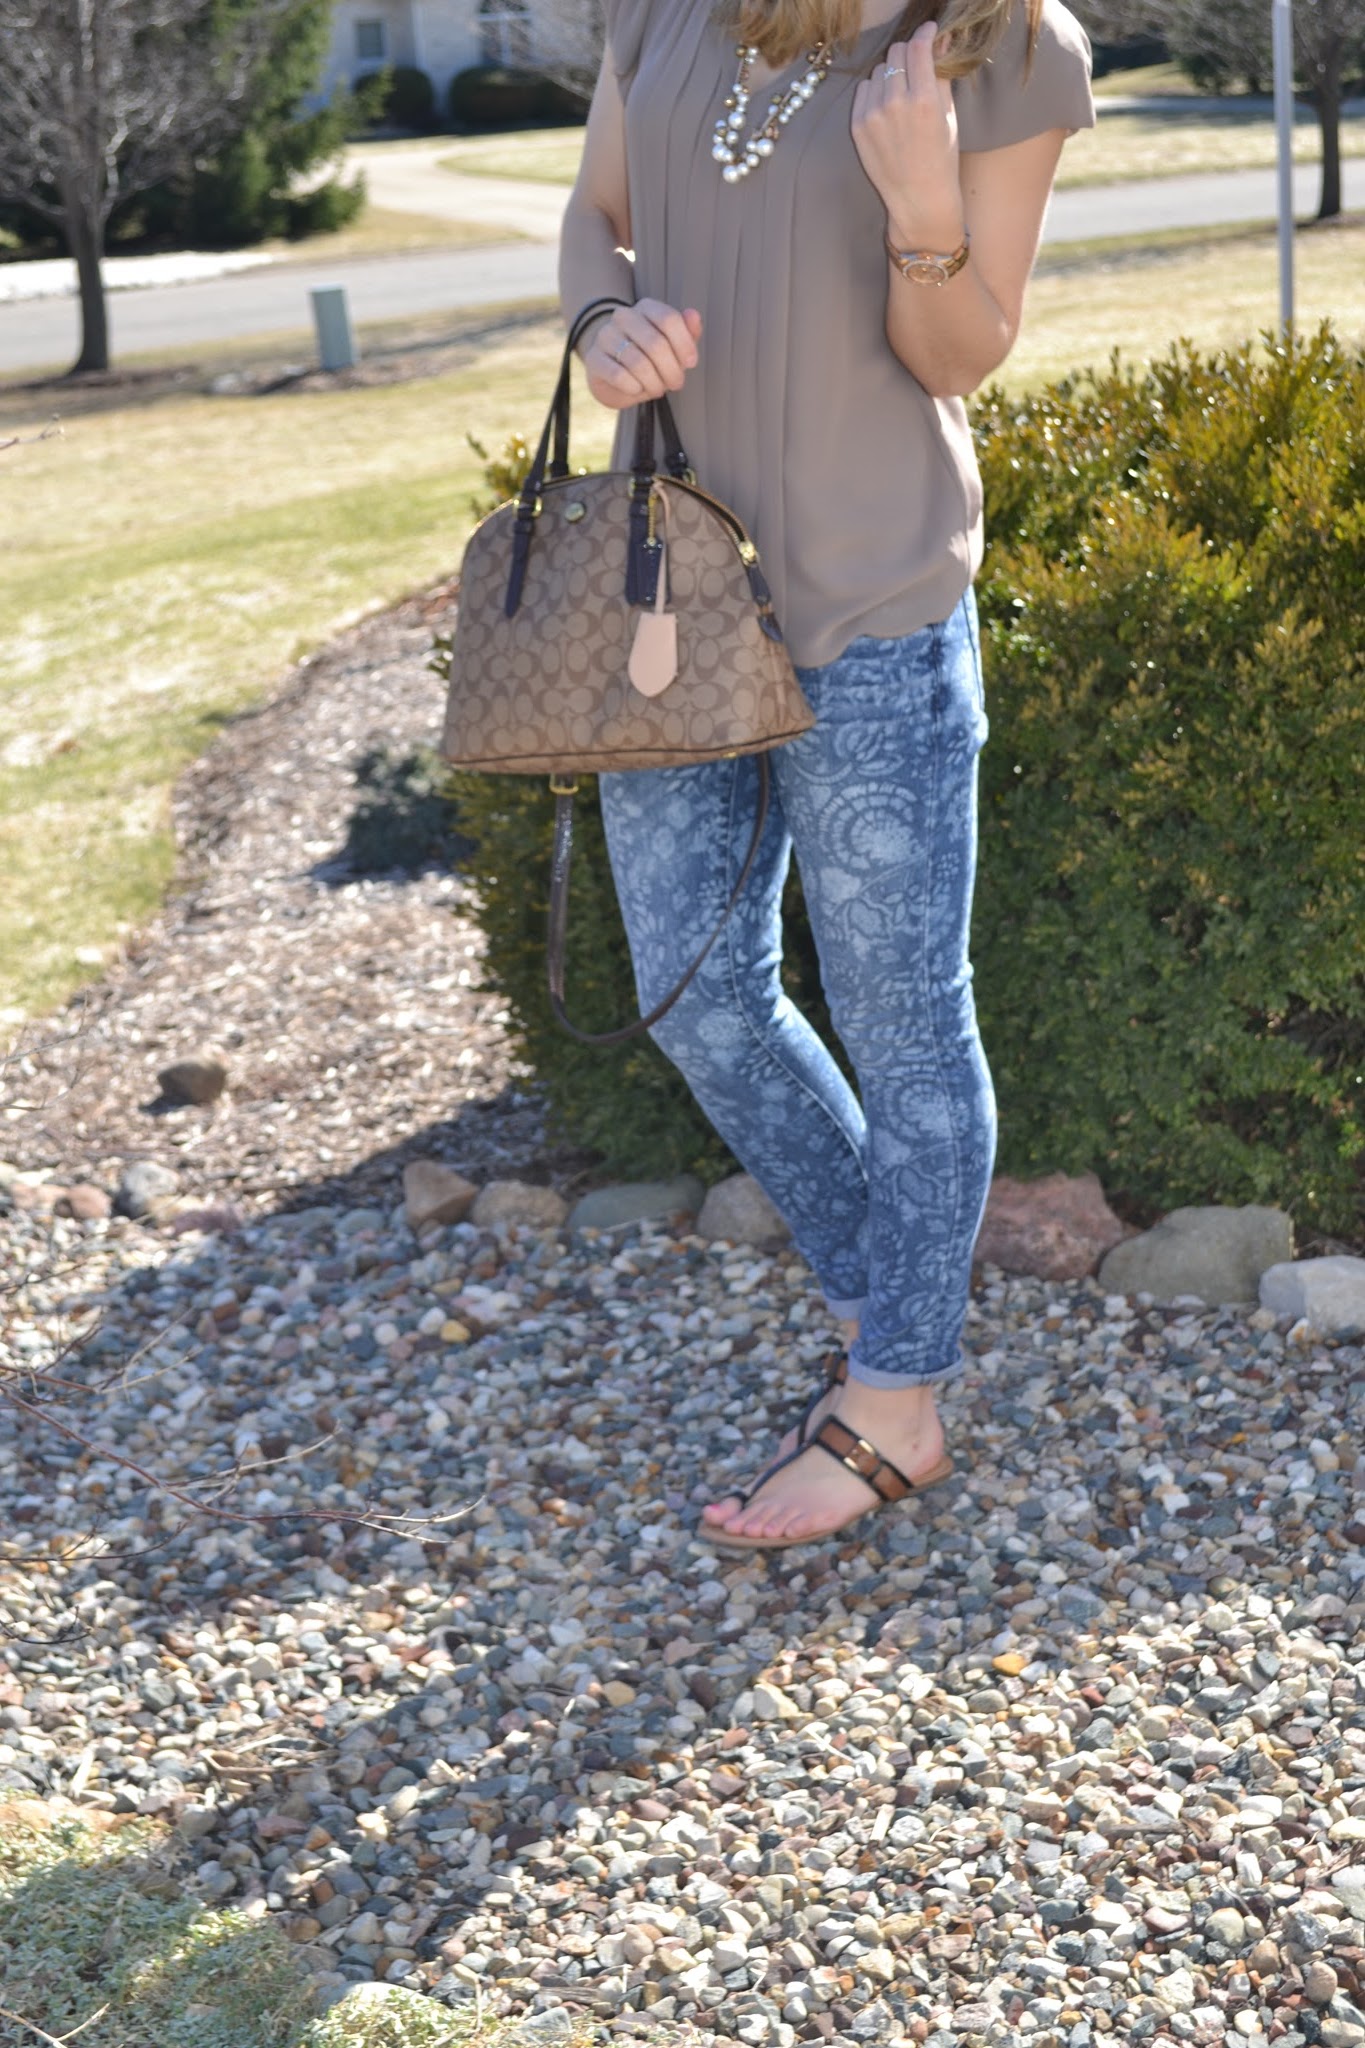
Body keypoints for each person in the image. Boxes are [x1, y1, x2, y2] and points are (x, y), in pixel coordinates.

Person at [557, 0, 1095, 1551]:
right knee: (693, 997)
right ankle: (888, 1309)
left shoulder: (1007, 44)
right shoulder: (662, 11)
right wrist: (600, 323)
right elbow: (596, 217)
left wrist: (923, 206)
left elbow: (961, 351)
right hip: (672, 600)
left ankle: (894, 1404)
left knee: (904, 1021)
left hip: (875, 608)